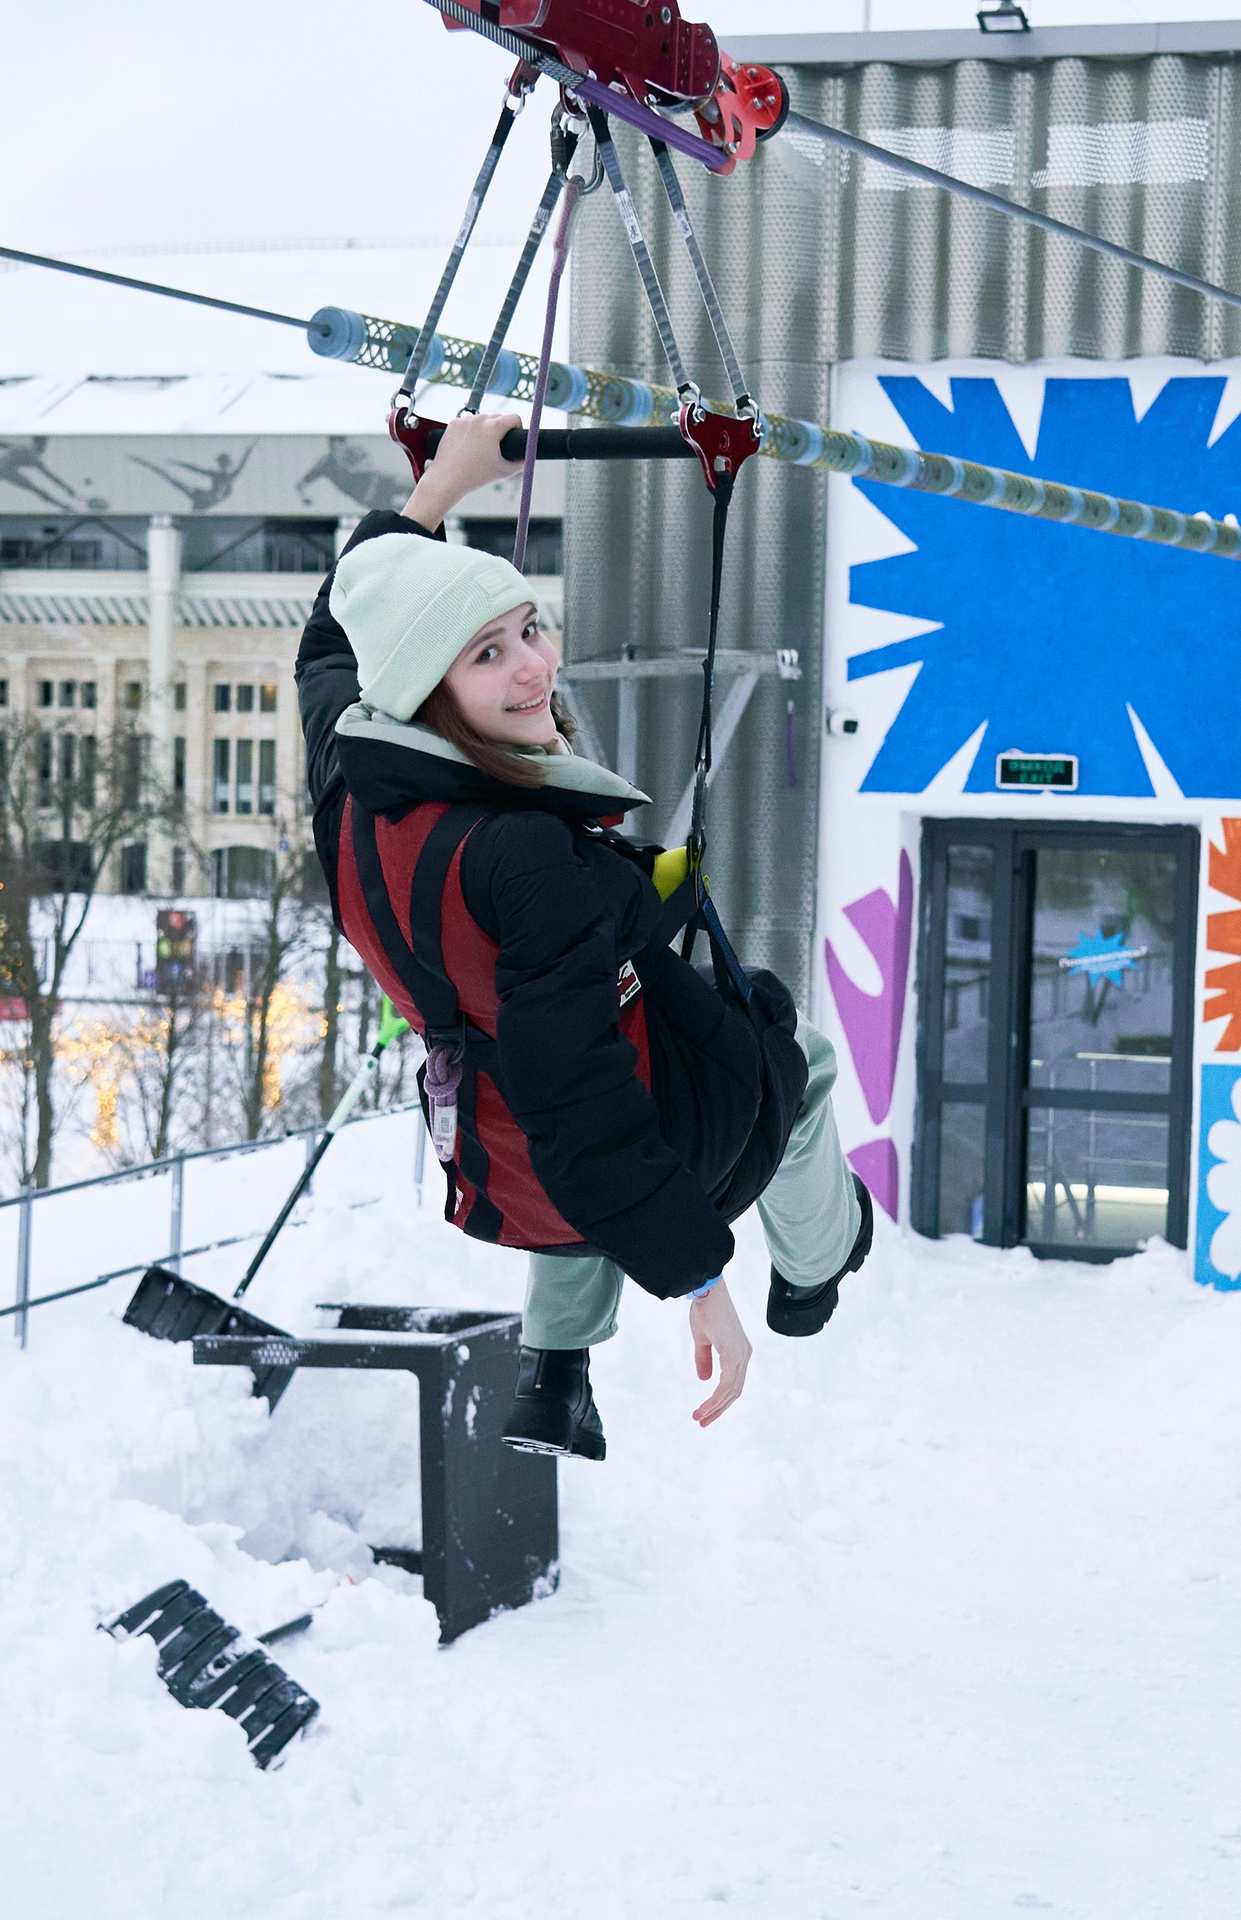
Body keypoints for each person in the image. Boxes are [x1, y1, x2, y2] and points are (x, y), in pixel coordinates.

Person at [294, 413, 872, 1460]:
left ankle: (556, 1370)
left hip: (488, 1140)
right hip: (606, 1139)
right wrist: (699, 1276)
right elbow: (582, 1105)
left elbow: (332, 638)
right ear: (423, 688)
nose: (534, 669)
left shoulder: (353, 785)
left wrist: (438, 491)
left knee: (574, 1061)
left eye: (528, 629)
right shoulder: (523, 858)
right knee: (799, 1059)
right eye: (487, 655)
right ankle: (817, 1267)